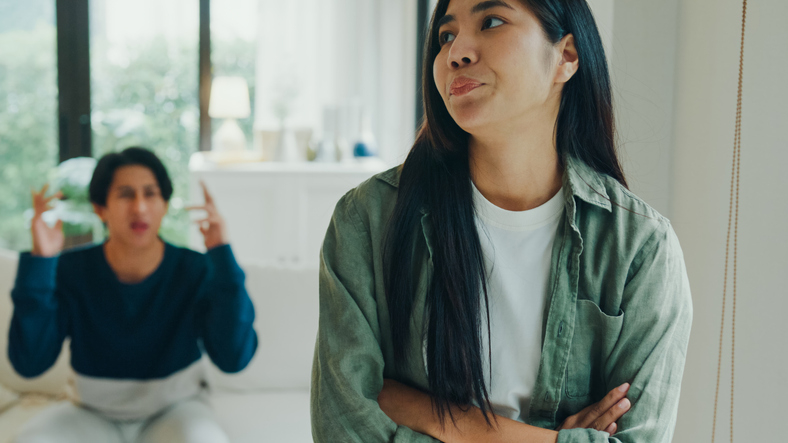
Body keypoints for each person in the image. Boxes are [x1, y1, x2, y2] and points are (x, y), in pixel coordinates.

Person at [310, 0, 692, 442]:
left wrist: (457, 424)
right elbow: (343, 428)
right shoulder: (367, 220)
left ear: (566, 57)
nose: (456, 53)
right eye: (446, 35)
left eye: (491, 22)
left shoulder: (641, 249)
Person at [9, 147, 257, 443]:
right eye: (126, 194)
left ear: (164, 205)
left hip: (177, 410)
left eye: (150, 194)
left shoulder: (196, 268)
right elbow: (30, 363)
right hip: (90, 412)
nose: (140, 207)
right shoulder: (71, 269)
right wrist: (40, 262)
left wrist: (221, 255)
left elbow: (234, 358)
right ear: (100, 208)